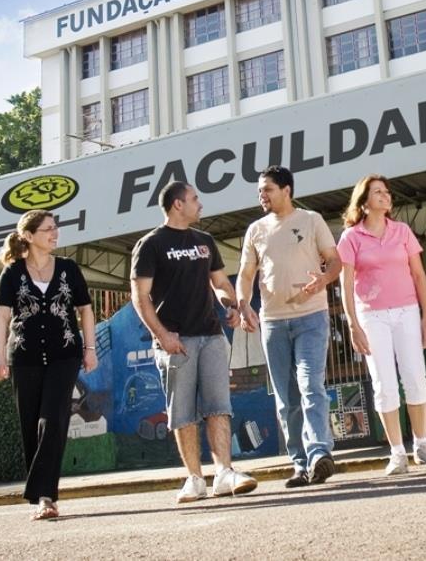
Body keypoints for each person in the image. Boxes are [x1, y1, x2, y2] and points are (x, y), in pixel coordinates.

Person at [131, 181, 258, 504]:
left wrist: (230, 305)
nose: (200, 204)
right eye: (194, 199)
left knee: (219, 407)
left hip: (212, 335)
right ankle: (195, 479)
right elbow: (140, 297)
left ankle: (224, 473)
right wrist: (163, 335)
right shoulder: (150, 244)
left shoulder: (205, 241)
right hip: (177, 342)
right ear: (177, 205)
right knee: (183, 413)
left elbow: (219, 283)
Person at [237, 166, 342, 488]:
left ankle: (319, 453)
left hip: (312, 316)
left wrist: (324, 278)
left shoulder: (311, 220)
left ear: (287, 190)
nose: (262, 195)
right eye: (259, 191)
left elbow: (335, 260)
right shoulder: (255, 229)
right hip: (273, 322)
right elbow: (245, 274)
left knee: (311, 384)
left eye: (267, 189)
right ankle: (299, 464)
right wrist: (243, 303)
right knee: (286, 398)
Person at [0, 210, 98, 520]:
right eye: (48, 229)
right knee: (30, 426)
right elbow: (1, 317)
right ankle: (41, 496)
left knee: (53, 420)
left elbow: (86, 311)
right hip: (25, 358)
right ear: (29, 235)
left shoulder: (67, 268)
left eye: (55, 228)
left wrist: (89, 349)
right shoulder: (12, 273)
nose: (55, 234)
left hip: (65, 354)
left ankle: (45, 497)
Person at [337, 174, 426, 475]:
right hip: (371, 316)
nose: (386, 196)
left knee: (415, 376)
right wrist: (353, 325)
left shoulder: (402, 231)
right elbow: (345, 286)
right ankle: (397, 453)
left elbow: (420, 276)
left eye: (387, 192)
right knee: (384, 383)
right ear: (364, 201)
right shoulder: (351, 237)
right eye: (378, 192)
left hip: (407, 311)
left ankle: (422, 444)